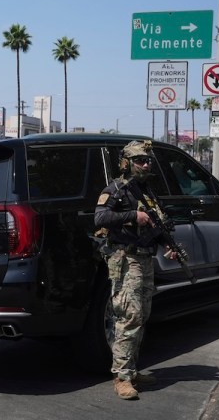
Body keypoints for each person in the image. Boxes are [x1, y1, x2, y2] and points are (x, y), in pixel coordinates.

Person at [94, 140, 178, 400]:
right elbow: (100, 218)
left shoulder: (146, 192)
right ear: (127, 163)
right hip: (125, 259)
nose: (145, 164)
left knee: (142, 315)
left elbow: (156, 225)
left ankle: (131, 369)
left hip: (144, 259)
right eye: (139, 160)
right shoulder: (117, 189)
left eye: (147, 160)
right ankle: (121, 377)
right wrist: (132, 216)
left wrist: (167, 245)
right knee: (128, 316)